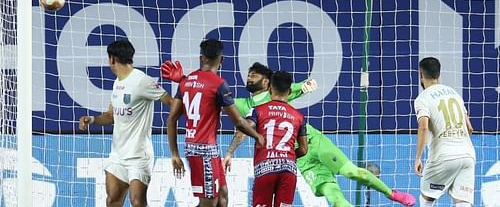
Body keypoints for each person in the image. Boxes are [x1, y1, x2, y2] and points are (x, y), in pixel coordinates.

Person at [162, 60, 416, 207]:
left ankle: (391, 194)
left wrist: (307, 86)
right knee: (335, 198)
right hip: (296, 159)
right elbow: (211, 103)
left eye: (255, 74)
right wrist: (183, 79)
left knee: (351, 172)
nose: (249, 77)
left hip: (313, 142)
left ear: (268, 82)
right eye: (248, 74)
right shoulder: (242, 104)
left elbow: (300, 86)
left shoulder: (282, 91)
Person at [166, 38, 264, 207]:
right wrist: (257, 136)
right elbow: (239, 122)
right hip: (203, 149)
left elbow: (172, 118)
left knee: (222, 195)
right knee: (209, 203)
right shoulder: (219, 84)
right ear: (222, 60)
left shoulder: (186, 82)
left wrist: (175, 153)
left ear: (201, 58)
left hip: (203, 148)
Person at [79, 39, 173, 207]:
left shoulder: (142, 81)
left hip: (139, 156)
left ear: (112, 59)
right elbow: (110, 116)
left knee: (137, 202)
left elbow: (171, 103)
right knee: (112, 200)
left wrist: (173, 122)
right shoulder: (118, 82)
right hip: (118, 155)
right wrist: (92, 120)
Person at [414, 57, 475, 207]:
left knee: (426, 198)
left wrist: (418, 158)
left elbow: (423, 127)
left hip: (443, 155)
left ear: (420, 74)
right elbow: (469, 128)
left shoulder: (423, 98)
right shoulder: (454, 93)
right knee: (463, 202)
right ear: (439, 74)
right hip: (468, 155)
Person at [246, 70, 308, 207]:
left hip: (265, 169)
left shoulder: (258, 110)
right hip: (288, 171)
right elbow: (303, 149)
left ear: (270, 89)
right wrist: (287, 155)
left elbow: (245, 127)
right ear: (290, 91)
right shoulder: (299, 117)